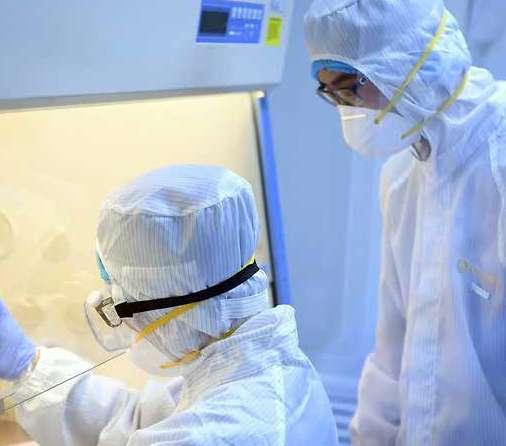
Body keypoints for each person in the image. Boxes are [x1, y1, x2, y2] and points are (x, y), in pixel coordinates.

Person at [0, 165, 339, 445]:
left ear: (179, 310)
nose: (127, 324)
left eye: (122, 307)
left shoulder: (217, 433)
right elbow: (132, 423)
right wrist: (27, 364)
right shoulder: (239, 366)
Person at [305, 0, 506, 444]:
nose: (346, 109)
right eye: (330, 95)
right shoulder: (401, 175)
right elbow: (391, 351)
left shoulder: (498, 156)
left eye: (350, 89)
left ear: (409, 62)